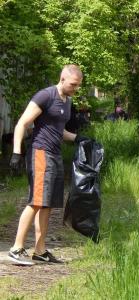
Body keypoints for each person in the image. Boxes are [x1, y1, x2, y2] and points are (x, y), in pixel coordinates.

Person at [8, 64, 88, 265]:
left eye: (78, 85)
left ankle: (40, 250)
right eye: (73, 84)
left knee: (48, 204)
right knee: (36, 201)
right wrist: (17, 153)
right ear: (62, 79)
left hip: (55, 154)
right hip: (41, 153)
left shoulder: (67, 101)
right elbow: (22, 124)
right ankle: (16, 248)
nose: (75, 88)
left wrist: (79, 138)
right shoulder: (46, 96)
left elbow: (59, 131)